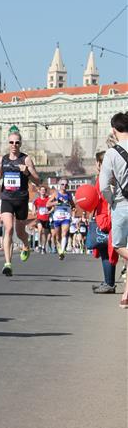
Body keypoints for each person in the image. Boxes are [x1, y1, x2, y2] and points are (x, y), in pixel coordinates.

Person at [0, 131, 40, 276]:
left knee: (20, 232)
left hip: (21, 199)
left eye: (17, 142)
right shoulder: (4, 159)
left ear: (20, 144)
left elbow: (37, 180)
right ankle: (8, 263)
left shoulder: (26, 159)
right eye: (11, 142)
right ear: (8, 144)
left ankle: (26, 244)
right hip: (7, 198)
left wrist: (27, 173)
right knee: (8, 229)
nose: (14, 145)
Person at [99, 111, 128, 308]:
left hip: (122, 204)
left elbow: (103, 186)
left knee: (118, 245)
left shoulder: (111, 153)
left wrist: (112, 202)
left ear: (114, 130)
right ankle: (126, 294)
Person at [91, 151, 117, 294]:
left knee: (106, 251)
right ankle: (108, 281)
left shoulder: (104, 178)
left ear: (100, 163)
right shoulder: (107, 176)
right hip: (105, 216)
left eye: (97, 162)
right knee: (106, 251)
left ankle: (109, 283)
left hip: (105, 218)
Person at [47, 178, 75, 260]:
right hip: (57, 217)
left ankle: (62, 251)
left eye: (66, 185)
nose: (64, 186)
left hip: (66, 216)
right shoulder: (56, 194)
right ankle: (59, 248)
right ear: (59, 185)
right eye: (62, 184)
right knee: (57, 237)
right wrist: (56, 202)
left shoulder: (69, 195)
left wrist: (73, 208)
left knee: (64, 233)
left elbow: (73, 205)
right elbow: (47, 204)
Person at [32, 185, 51, 253]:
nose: (43, 191)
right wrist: (34, 211)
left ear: (45, 191)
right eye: (41, 190)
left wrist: (49, 211)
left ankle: (43, 247)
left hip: (46, 219)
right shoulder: (37, 200)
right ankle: (40, 245)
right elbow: (33, 208)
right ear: (39, 191)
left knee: (45, 234)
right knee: (40, 230)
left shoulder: (48, 199)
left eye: (44, 190)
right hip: (39, 218)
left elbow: (53, 207)